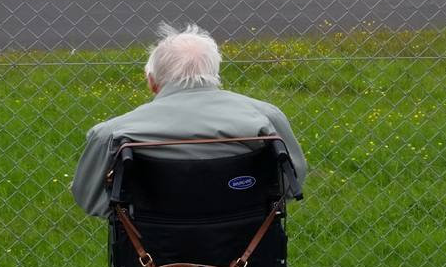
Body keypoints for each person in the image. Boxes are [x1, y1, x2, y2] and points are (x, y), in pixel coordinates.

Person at [72, 23, 307, 217]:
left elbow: (89, 198)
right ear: (215, 75)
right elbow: (290, 184)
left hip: (149, 258)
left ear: (152, 82)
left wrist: (137, 214)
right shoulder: (266, 120)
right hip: (248, 253)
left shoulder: (112, 134)